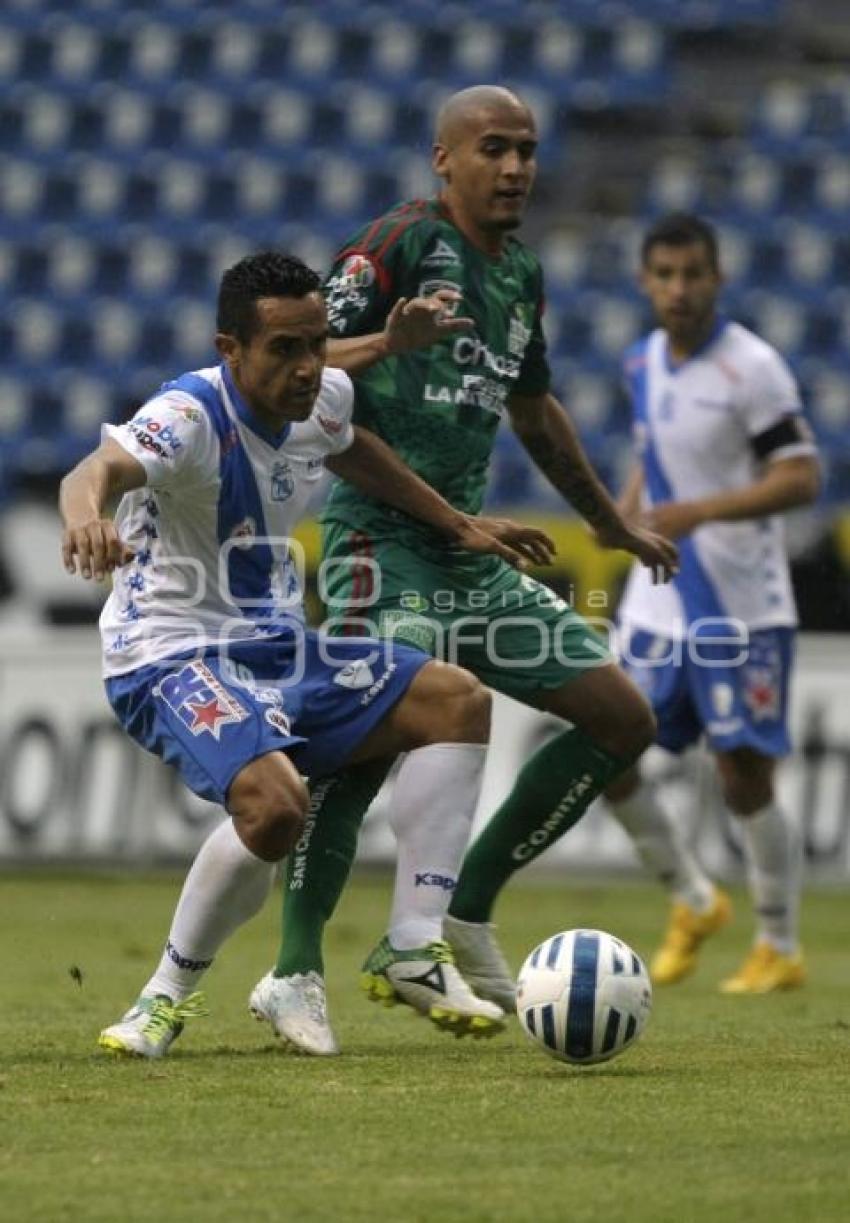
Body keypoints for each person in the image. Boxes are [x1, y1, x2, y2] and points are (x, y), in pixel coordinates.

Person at [263, 85, 679, 1055]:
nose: (516, 168)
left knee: (621, 717)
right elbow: (309, 387)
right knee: (366, 741)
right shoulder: (393, 245)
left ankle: (465, 913)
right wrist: (451, 516)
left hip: (470, 551)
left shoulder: (520, 273)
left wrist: (608, 522)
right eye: (493, 147)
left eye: (526, 150)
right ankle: (292, 970)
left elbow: (533, 410)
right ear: (442, 158)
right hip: (378, 542)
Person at [60, 250, 559, 1058]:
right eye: (283, 349)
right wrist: (86, 515)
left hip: (280, 645)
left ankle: (411, 938)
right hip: (169, 651)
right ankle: (163, 997)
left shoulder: (321, 395)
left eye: (317, 343)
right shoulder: (188, 416)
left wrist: (457, 522)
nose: (306, 367)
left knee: (457, 700)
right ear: (231, 349)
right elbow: (99, 468)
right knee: (276, 806)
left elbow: (351, 446)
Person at [603, 212, 820, 993]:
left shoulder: (751, 368)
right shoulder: (642, 362)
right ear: (644, 281)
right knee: (603, 748)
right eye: (664, 274)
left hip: (740, 604)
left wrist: (698, 512)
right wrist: (622, 520)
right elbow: (649, 455)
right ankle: (693, 899)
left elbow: (801, 476)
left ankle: (780, 943)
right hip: (657, 602)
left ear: (717, 278)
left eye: (693, 273)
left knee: (743, 775)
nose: (679, 289)